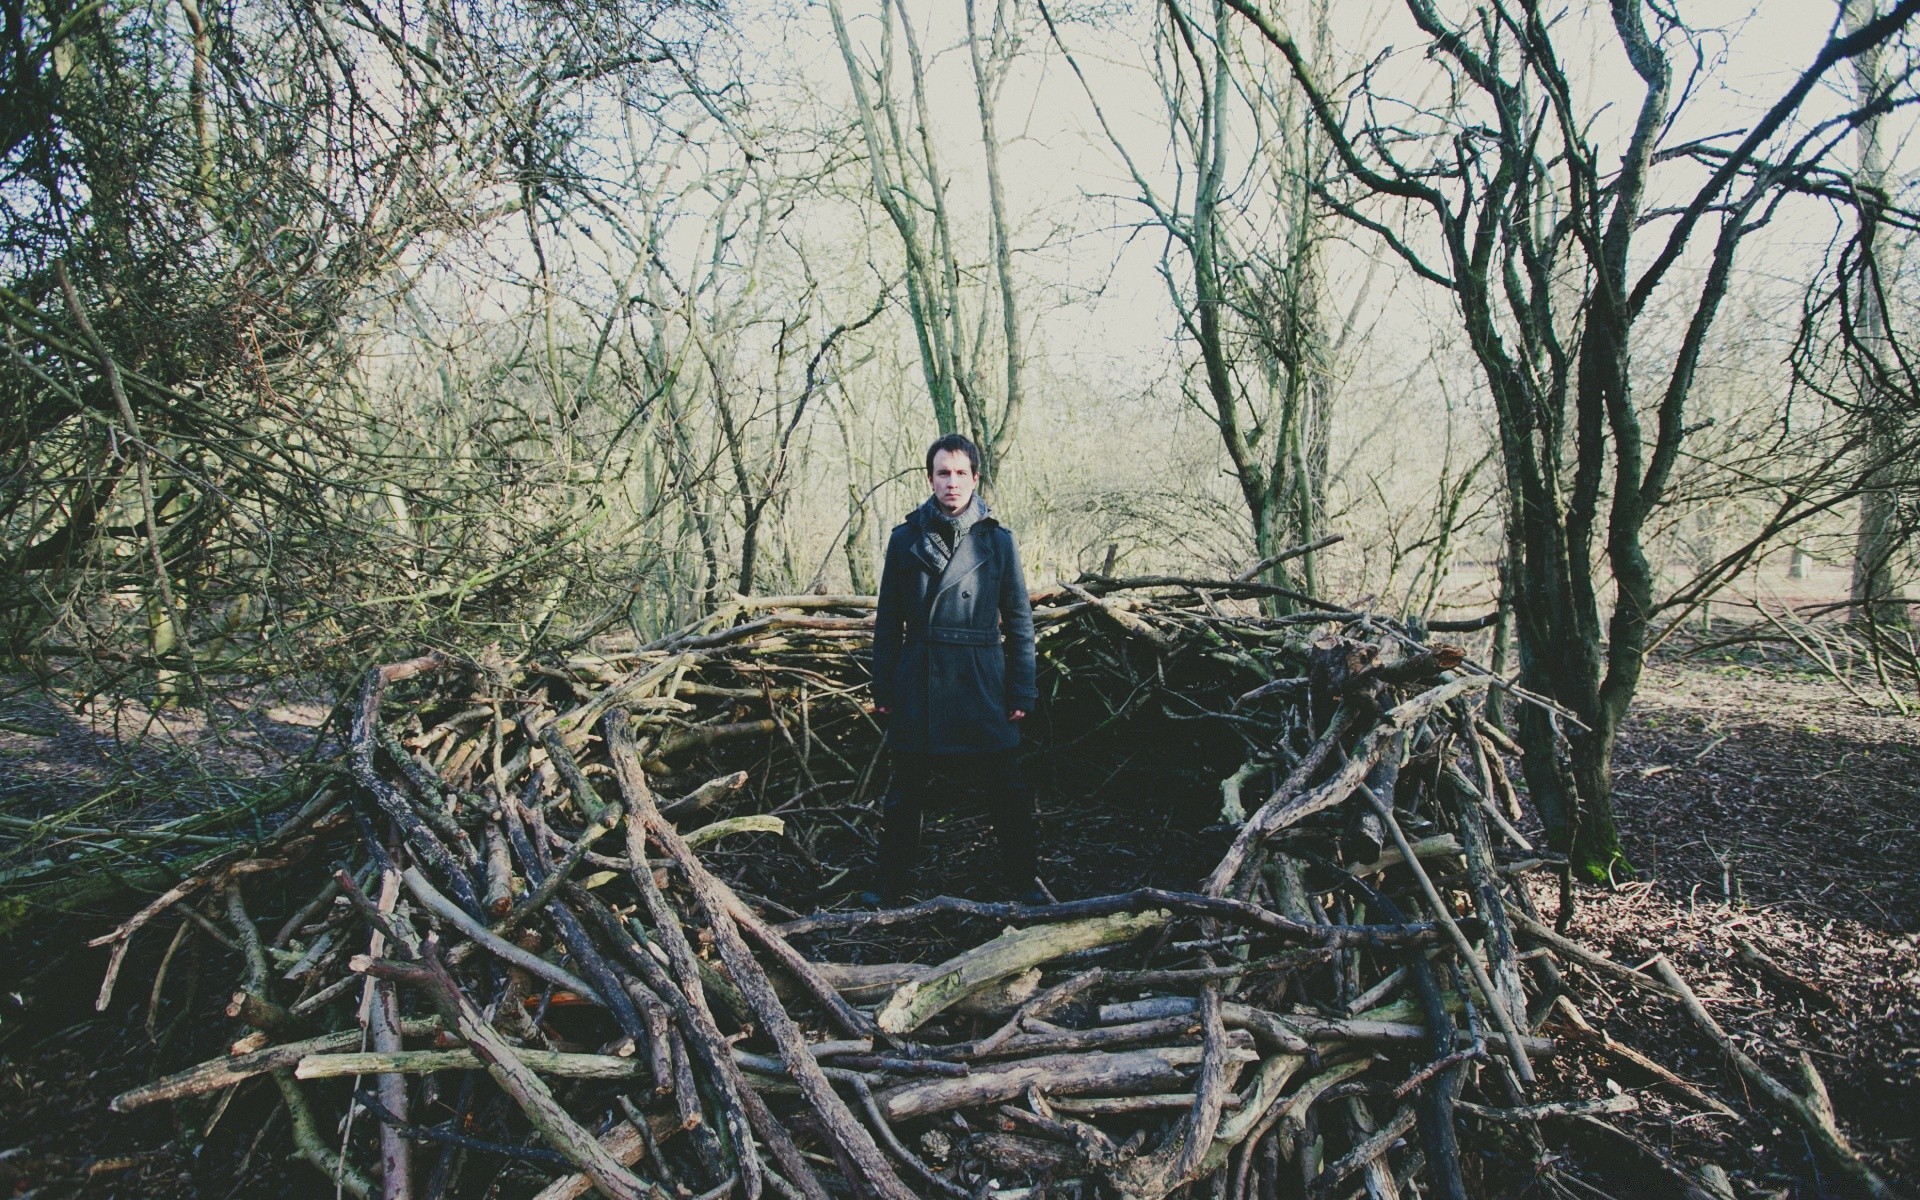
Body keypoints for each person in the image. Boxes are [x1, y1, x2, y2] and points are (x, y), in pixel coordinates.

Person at [867, 433, 1042, 905]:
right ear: (930, 478)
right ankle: (890, 887)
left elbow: (1020, 621)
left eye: (961, 472)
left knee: (1008, 790)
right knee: (904, 795)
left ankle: (1025, 883)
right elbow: (888, 621)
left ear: (975, 478)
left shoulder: (998, 540)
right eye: (943, 473)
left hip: (982, 678)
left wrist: (1022, 690)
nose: (952, 482)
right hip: (920, 678)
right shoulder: (905, 539)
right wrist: (882, 685)